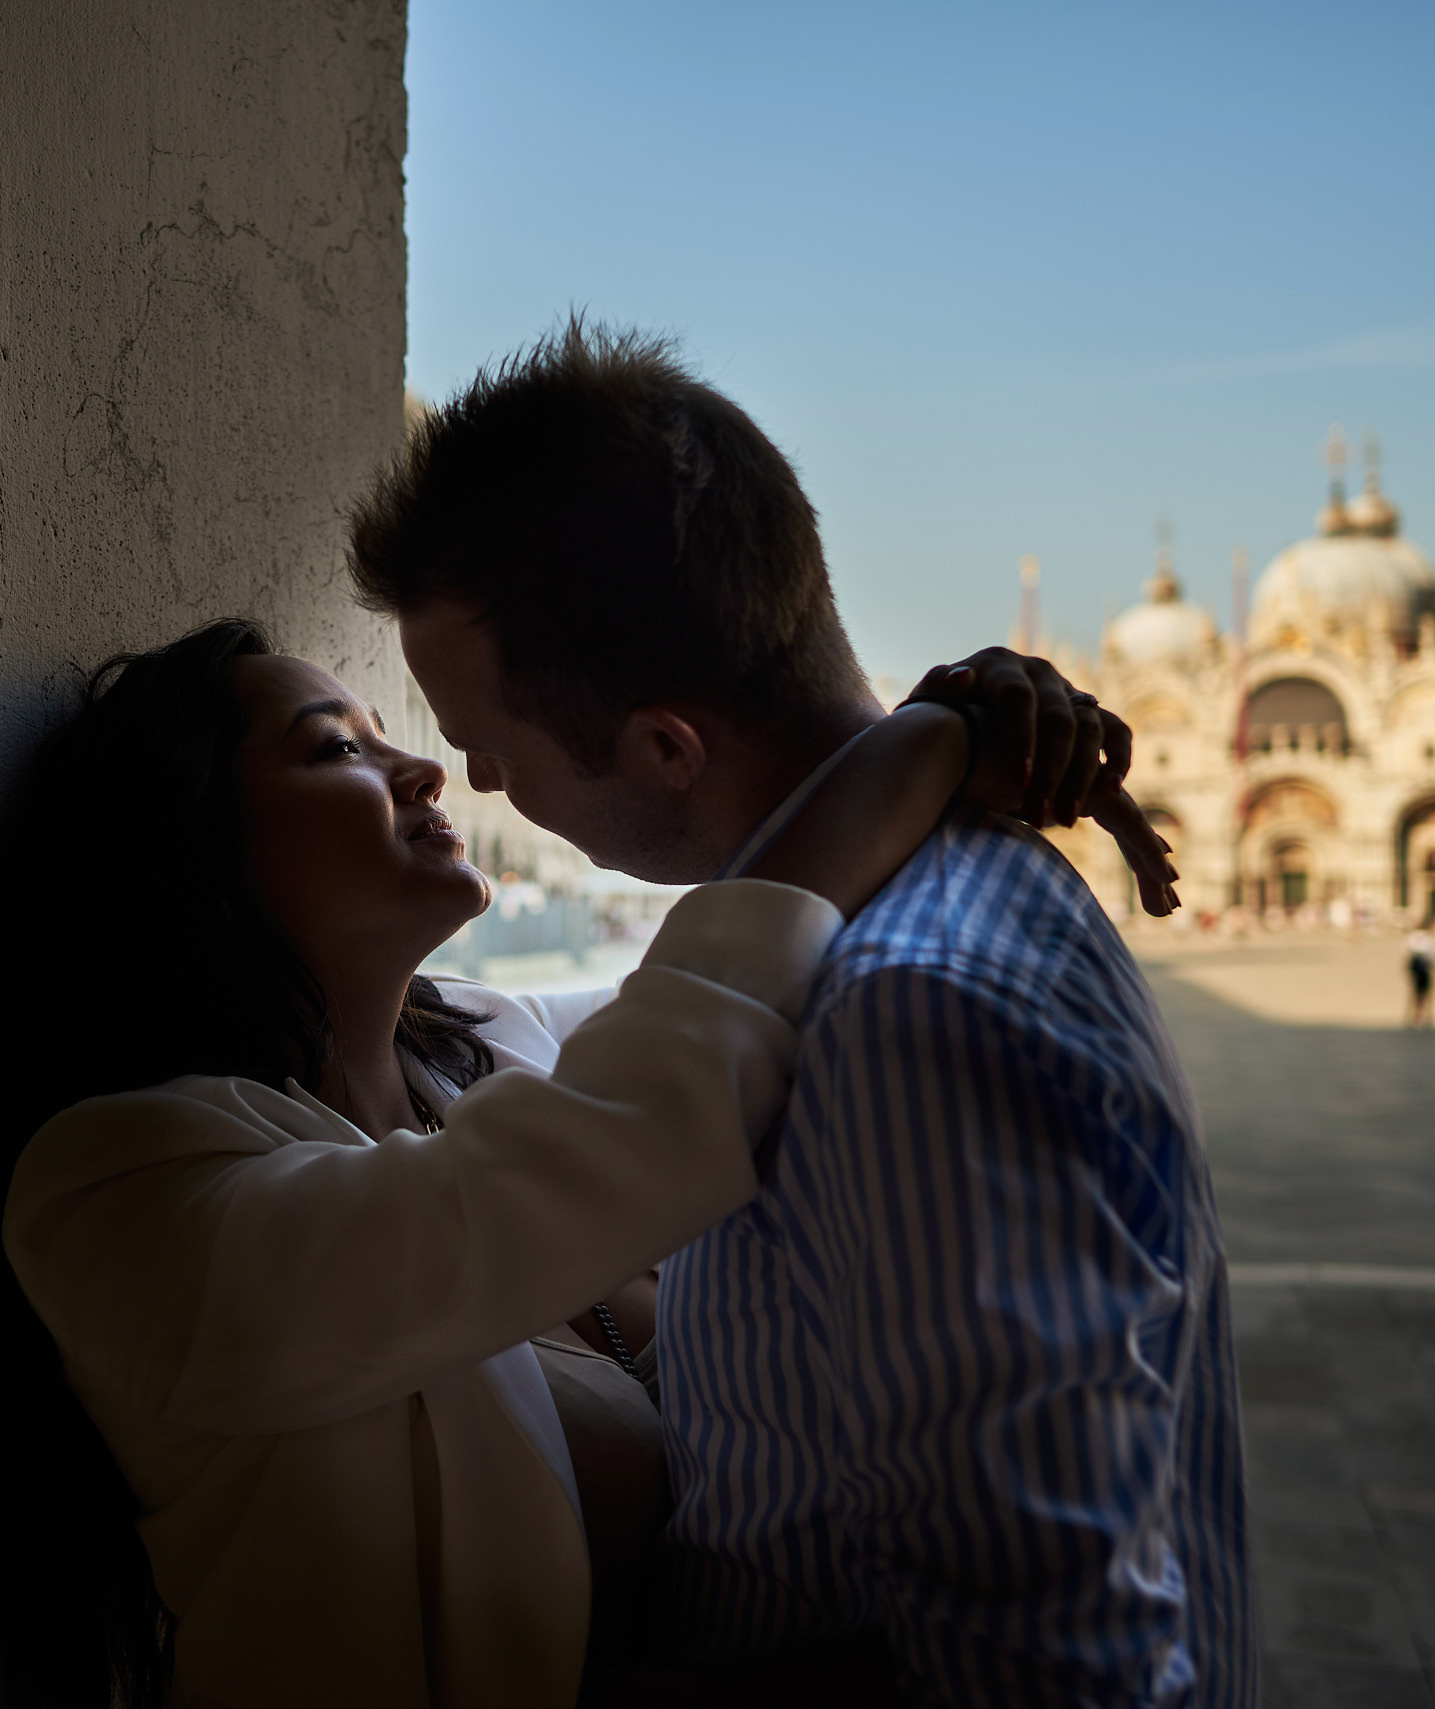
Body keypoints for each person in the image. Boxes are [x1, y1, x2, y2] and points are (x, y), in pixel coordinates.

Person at [0, 618, 1169, 1709]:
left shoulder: (482, 1047)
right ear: (193, 847)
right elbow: (667, 1076)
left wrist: (954, 718)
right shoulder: (119, 1194)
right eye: (334, 751)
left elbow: (752, 982)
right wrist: (919, 739)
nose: (424, 771)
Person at [355, 321, 1247, 1706]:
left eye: (495, 754)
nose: (474, 786)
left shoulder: (903, 1021)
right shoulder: (941, 893)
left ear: (662, 747)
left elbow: (1052, 1663)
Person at [1406, 925, 1435, 1028]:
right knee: (1424, 993)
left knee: (1417, 993)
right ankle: (1423, 1016)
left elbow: (1408, 953)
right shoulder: (1429, 940)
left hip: (1418, 968)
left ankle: (1418, 1016)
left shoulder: (1413, 938)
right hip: (1423, 968)